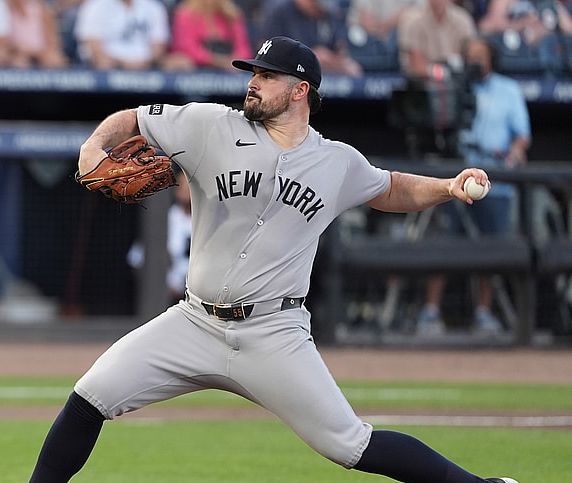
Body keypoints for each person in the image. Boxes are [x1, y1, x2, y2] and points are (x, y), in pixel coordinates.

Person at [28, 36, 518, 483]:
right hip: (193, 322)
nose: (253, 84)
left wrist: (448, 187)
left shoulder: (337, 161)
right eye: (253, 74)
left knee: (351, 444)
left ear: (300, 89)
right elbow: (134, 118)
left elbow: (390, 188)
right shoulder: (210, 125)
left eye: (266, 76)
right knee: (89, 397)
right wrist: (94, 146)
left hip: (273, 334)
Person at [415, 36, 531, 337]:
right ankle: (430, 313)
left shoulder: (508, 89)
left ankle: (483, 313)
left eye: (482, 54)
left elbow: (521, 135)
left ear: (492, 57)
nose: (476, 60)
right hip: (454, 178)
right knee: (444, 243)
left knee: (489, 250)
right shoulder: (454, 87)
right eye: (471, 55)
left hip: (496, 181)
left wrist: (515, 152)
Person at [260, 0, 364, 77]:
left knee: (354, 69)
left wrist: (334, 59)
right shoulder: (281, 11)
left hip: (325, 69)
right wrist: (311, 56)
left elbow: (340, 48)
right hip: (289, 70)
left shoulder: (326, 13)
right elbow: (269, 51)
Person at [73, 0, 180, 70]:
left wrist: (144, 62)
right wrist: (123, 63)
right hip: (110, 66)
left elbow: (158, 47)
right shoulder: (94, 5)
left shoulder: (154, 6)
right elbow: (94, 48)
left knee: (179, 63)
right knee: (103, 63)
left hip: (147, 66)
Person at [397, 0, 477, 77]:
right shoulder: (413, 23)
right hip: (425, 80)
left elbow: (471, 52)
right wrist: (441, 73)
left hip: (459, 74)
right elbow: (417, 65)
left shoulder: (463, 19)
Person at [168, 0, 254, 71]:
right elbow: (186, 48)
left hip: (229, 68)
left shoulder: (232, 15)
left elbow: (243, 49)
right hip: (197, 68)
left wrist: (235, 60)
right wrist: (215, 60)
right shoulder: (185, 15)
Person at [6, 0, 69, 68]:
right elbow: (5, 42)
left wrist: (37, 52)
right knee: (19, 63)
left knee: (54, 60)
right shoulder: (6, 12)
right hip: (18, 52)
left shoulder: (41, 10)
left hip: (42, 51)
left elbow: (51, 41)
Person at [166, 169, 192, 302]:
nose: (187, 189)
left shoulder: (210, 219)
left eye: (190, 185)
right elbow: (137, 258)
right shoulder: (166, 219)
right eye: (183, 185)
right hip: (168, 294)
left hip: (198, 294)